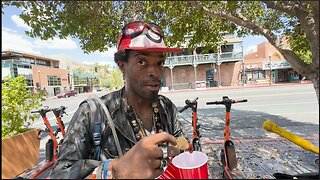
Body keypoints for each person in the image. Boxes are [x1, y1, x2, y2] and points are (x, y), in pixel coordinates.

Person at [49, 21, 184, 179]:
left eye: (160, 63)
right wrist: (114, 170)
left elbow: (180, 141)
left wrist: (181, 149)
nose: (155, 72)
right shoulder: (92, 112)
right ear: (122, 66)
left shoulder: (166, 106)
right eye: (141, 62)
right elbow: (60, 174)